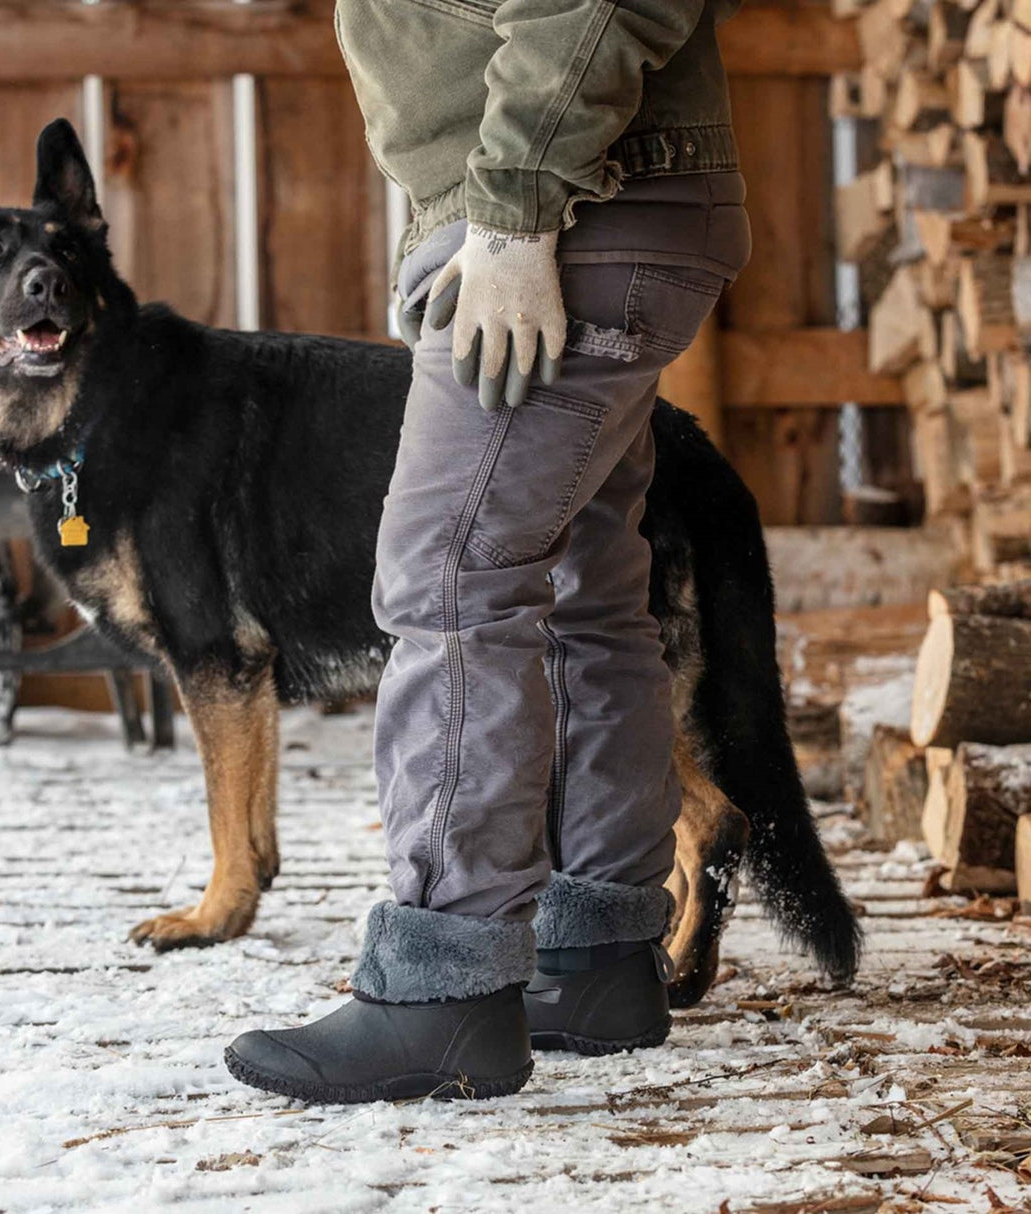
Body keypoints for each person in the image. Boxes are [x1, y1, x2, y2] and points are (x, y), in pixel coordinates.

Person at [225, 0, 751, 1103]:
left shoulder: (535, 204)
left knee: (450, 581)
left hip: (569, 214)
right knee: (584, 587)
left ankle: (442, 992)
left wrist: (513, 214)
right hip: (602, 205)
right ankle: (597, 957)